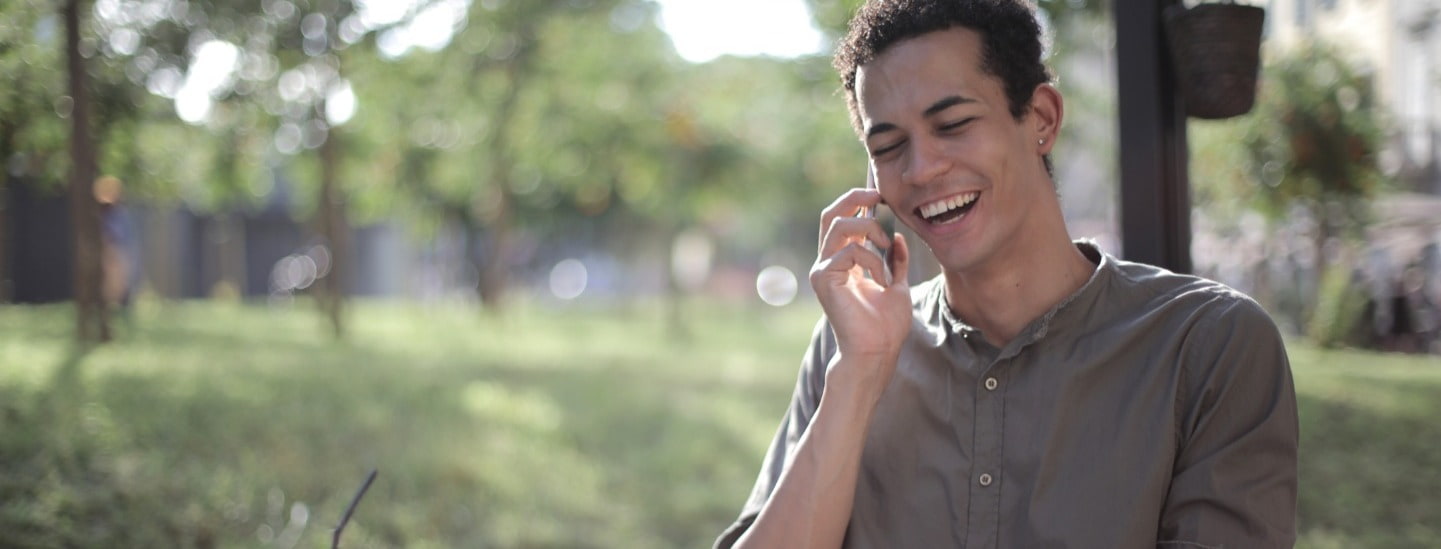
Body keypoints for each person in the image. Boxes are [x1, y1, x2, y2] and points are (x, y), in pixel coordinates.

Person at [715, 1, 1298, 547]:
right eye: (890, 146)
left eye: (953, 124)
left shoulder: (1210, 345)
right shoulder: (846, 351)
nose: (921, 169)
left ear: (1041, 118)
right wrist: (859, 376)